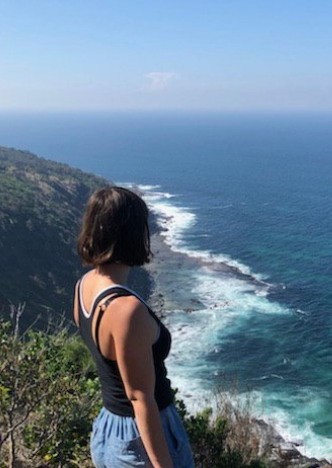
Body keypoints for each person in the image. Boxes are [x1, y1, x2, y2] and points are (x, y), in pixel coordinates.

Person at [73, 186, 194, 468]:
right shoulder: (127, 310)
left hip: (108, 428)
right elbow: (140, 398)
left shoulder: (82, 287)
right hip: (141, 438)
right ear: (133, 234)